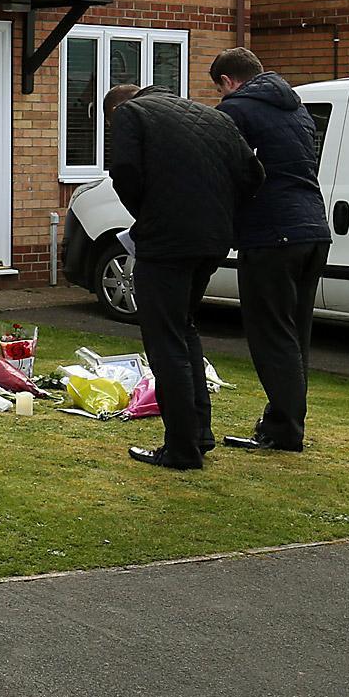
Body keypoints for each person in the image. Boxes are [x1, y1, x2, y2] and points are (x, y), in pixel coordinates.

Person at [103, 81, 262, 470]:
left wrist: (148, 211)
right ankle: (198, 434)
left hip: (166, 241)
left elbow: (123, 170)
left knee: (165, 340)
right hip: (212, 240)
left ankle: (181, 449)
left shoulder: (131, 114)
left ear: (115, 110)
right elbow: (254, 174)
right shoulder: (216, 117)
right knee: (184, 328)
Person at [211, 47, 330, 453]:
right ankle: (284, 422)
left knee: (270, 334)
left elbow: (228, 170)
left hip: (271, 233)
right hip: (313, 228)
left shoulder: (236, 111)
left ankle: (283, 432)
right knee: (296, 334)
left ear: (228, 81)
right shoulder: (296, 108)